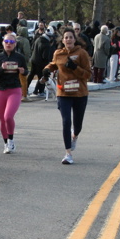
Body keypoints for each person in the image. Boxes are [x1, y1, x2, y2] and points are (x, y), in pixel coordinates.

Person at [44, 27, 92, 164]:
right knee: (66, 122)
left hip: (79, 93)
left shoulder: (82, 53)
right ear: (63, 40)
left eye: (71, 37)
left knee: (77, 126)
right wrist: (46, 69)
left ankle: (74, 136)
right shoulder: (58, 53)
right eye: (66, 37)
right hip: (63, 93)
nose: (68, 39)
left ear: (75, 39)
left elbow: (88, 74)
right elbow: (53, 64)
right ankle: (68, 154)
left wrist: (74, 67)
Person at [0, 32, 28, 153]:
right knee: (2, 120)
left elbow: (26, 71)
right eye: (6, 42)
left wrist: (23, 71)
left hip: (14, 90)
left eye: (11, 42)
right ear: (2, 43)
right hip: (1, 90)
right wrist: (1, 69)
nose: (8, 44)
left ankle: (11, 140)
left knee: (8, 116)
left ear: (15, 44)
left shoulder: (20, 57)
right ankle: (6, 143)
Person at [26, 22, 55, 99]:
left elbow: (33, 47)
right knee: (42, 77)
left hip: (33, 59)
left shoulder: (38, 39)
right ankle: (40, 91)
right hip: (41, 63)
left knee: (31, 75)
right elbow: (45, 56)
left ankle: (25, 89)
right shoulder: (46, 44)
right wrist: (48, 62)